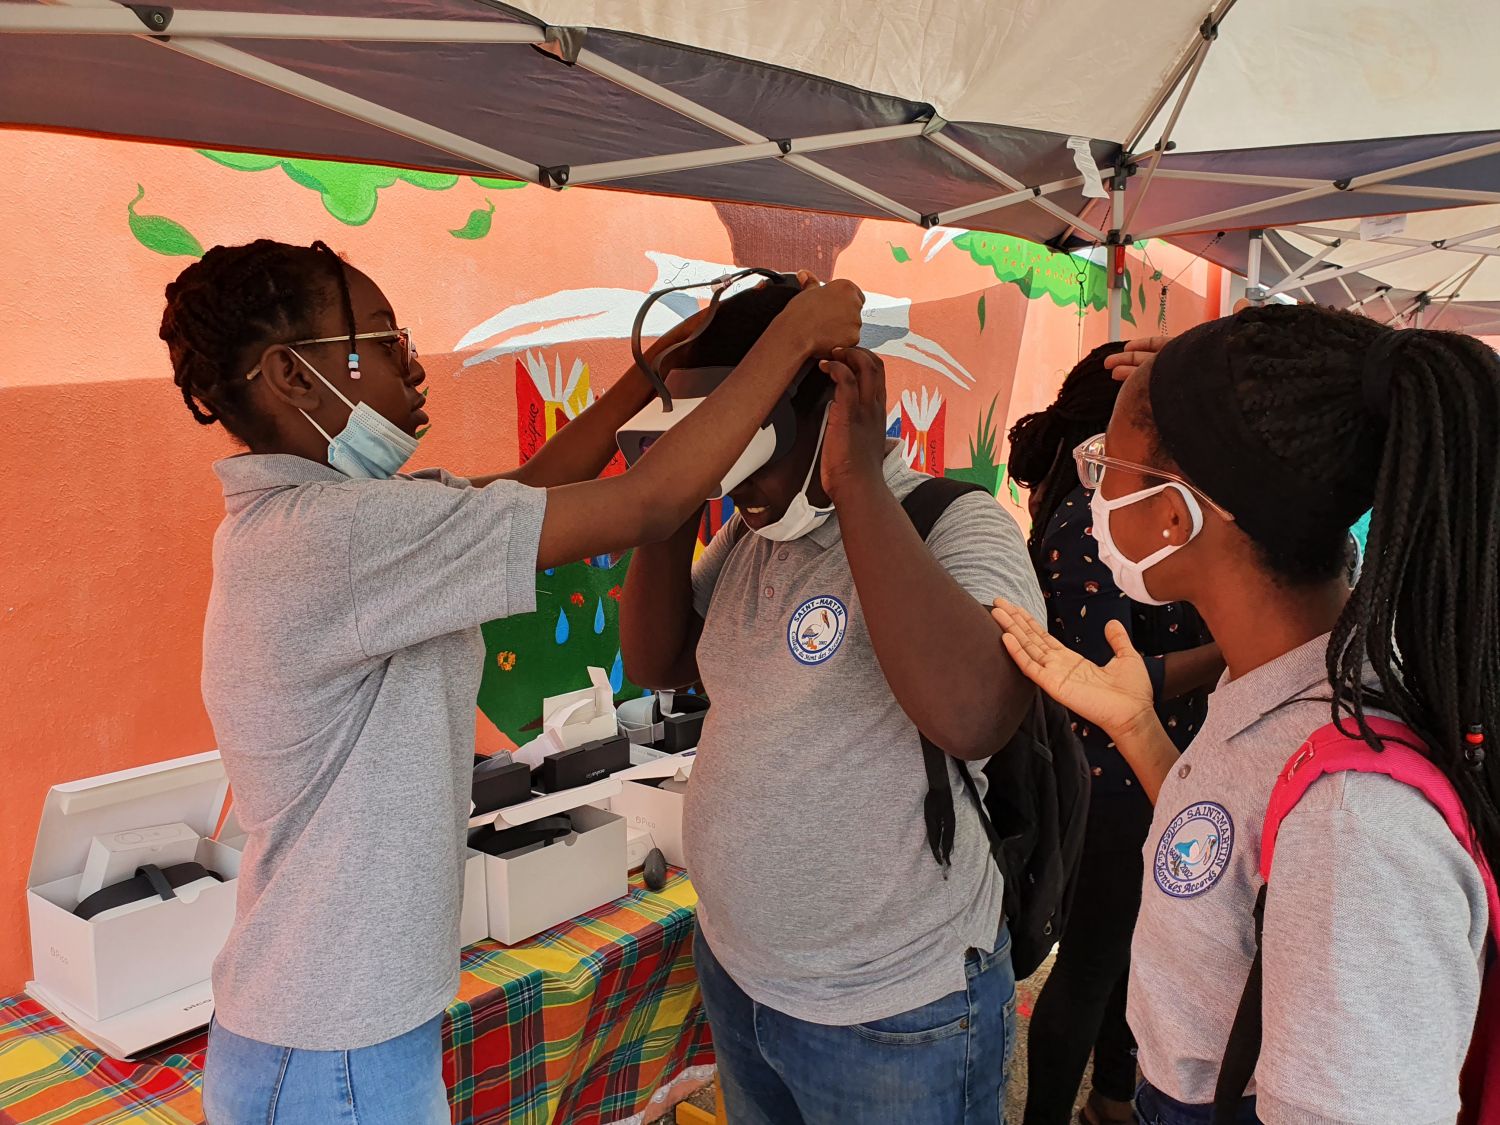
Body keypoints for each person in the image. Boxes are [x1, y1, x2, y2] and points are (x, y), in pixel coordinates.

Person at [158, 239, 863, 1124]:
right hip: (330, 1045)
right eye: (381, 337)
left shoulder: (334, 526)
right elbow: (648, 501)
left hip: (332, 1025)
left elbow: (534, 486)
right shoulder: (329, 540)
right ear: (293, 376)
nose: (412, 366)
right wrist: (792, 339)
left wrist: (652, 375)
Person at [992, 305, 1497, 1125]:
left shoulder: (1356, 824)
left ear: (1174, 512)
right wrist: (1142, 731)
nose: (1090, 491)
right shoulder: (1283, 684)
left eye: (1104, 463)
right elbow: (1236, 864)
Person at [620, 284, 1045, 1125]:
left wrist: (855, 485)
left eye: (744, 445)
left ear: (829, 407)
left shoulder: (956, 523)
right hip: (743, 976)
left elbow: (975, 716)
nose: (734, 481)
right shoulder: (747, 537)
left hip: (894, 1010)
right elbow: (659, 658)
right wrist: (669, 496)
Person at [1005, 342, 1222, 1125]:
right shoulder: (1082, 526)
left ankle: (1111, 1094)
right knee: (1094, 961)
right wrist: (1233, 643)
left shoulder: (1148, 520)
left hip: (1155, 764)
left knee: (1128, 953)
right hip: (1107, 781)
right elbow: (1114, 676)